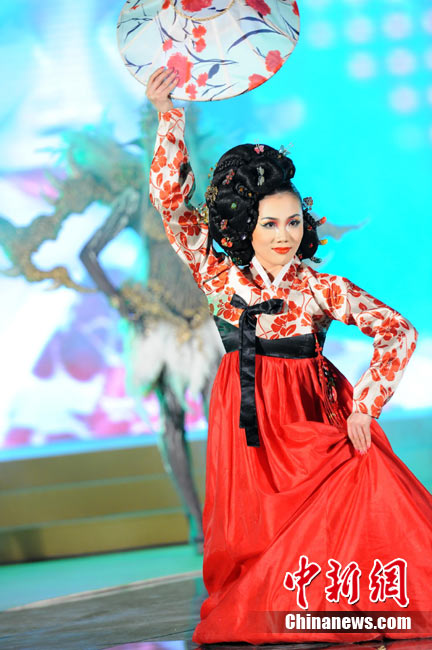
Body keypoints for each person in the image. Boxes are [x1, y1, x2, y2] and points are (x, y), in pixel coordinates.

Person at [146, 67, 432, 644]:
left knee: (353, 495)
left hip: (309, 418)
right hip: (246, 420)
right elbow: (172, 203)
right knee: (254, 535)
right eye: (270, 223)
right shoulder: (217, 274)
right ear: (245, 226)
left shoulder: (319, 287)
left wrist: (365, 406)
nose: (284, 235)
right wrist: (168, 115)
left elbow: (397, 330)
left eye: (294, 222)